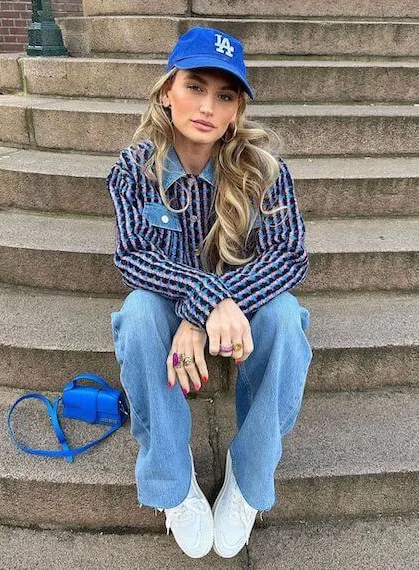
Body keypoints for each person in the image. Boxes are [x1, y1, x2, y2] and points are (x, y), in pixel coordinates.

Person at [107, 26, 312, 559]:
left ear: (236, 109)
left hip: (243, 307)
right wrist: (204, 303)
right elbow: (134, 257)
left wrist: (211, 311)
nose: (207, 106)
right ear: (166, 91)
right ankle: (173, 485)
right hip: (169, 301)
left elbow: (288, 257)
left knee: (287, 319)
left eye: (224, 95)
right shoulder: (135, 169)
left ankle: (248, 479)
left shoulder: (266, 171)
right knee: (138, 315)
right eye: (195, 86)